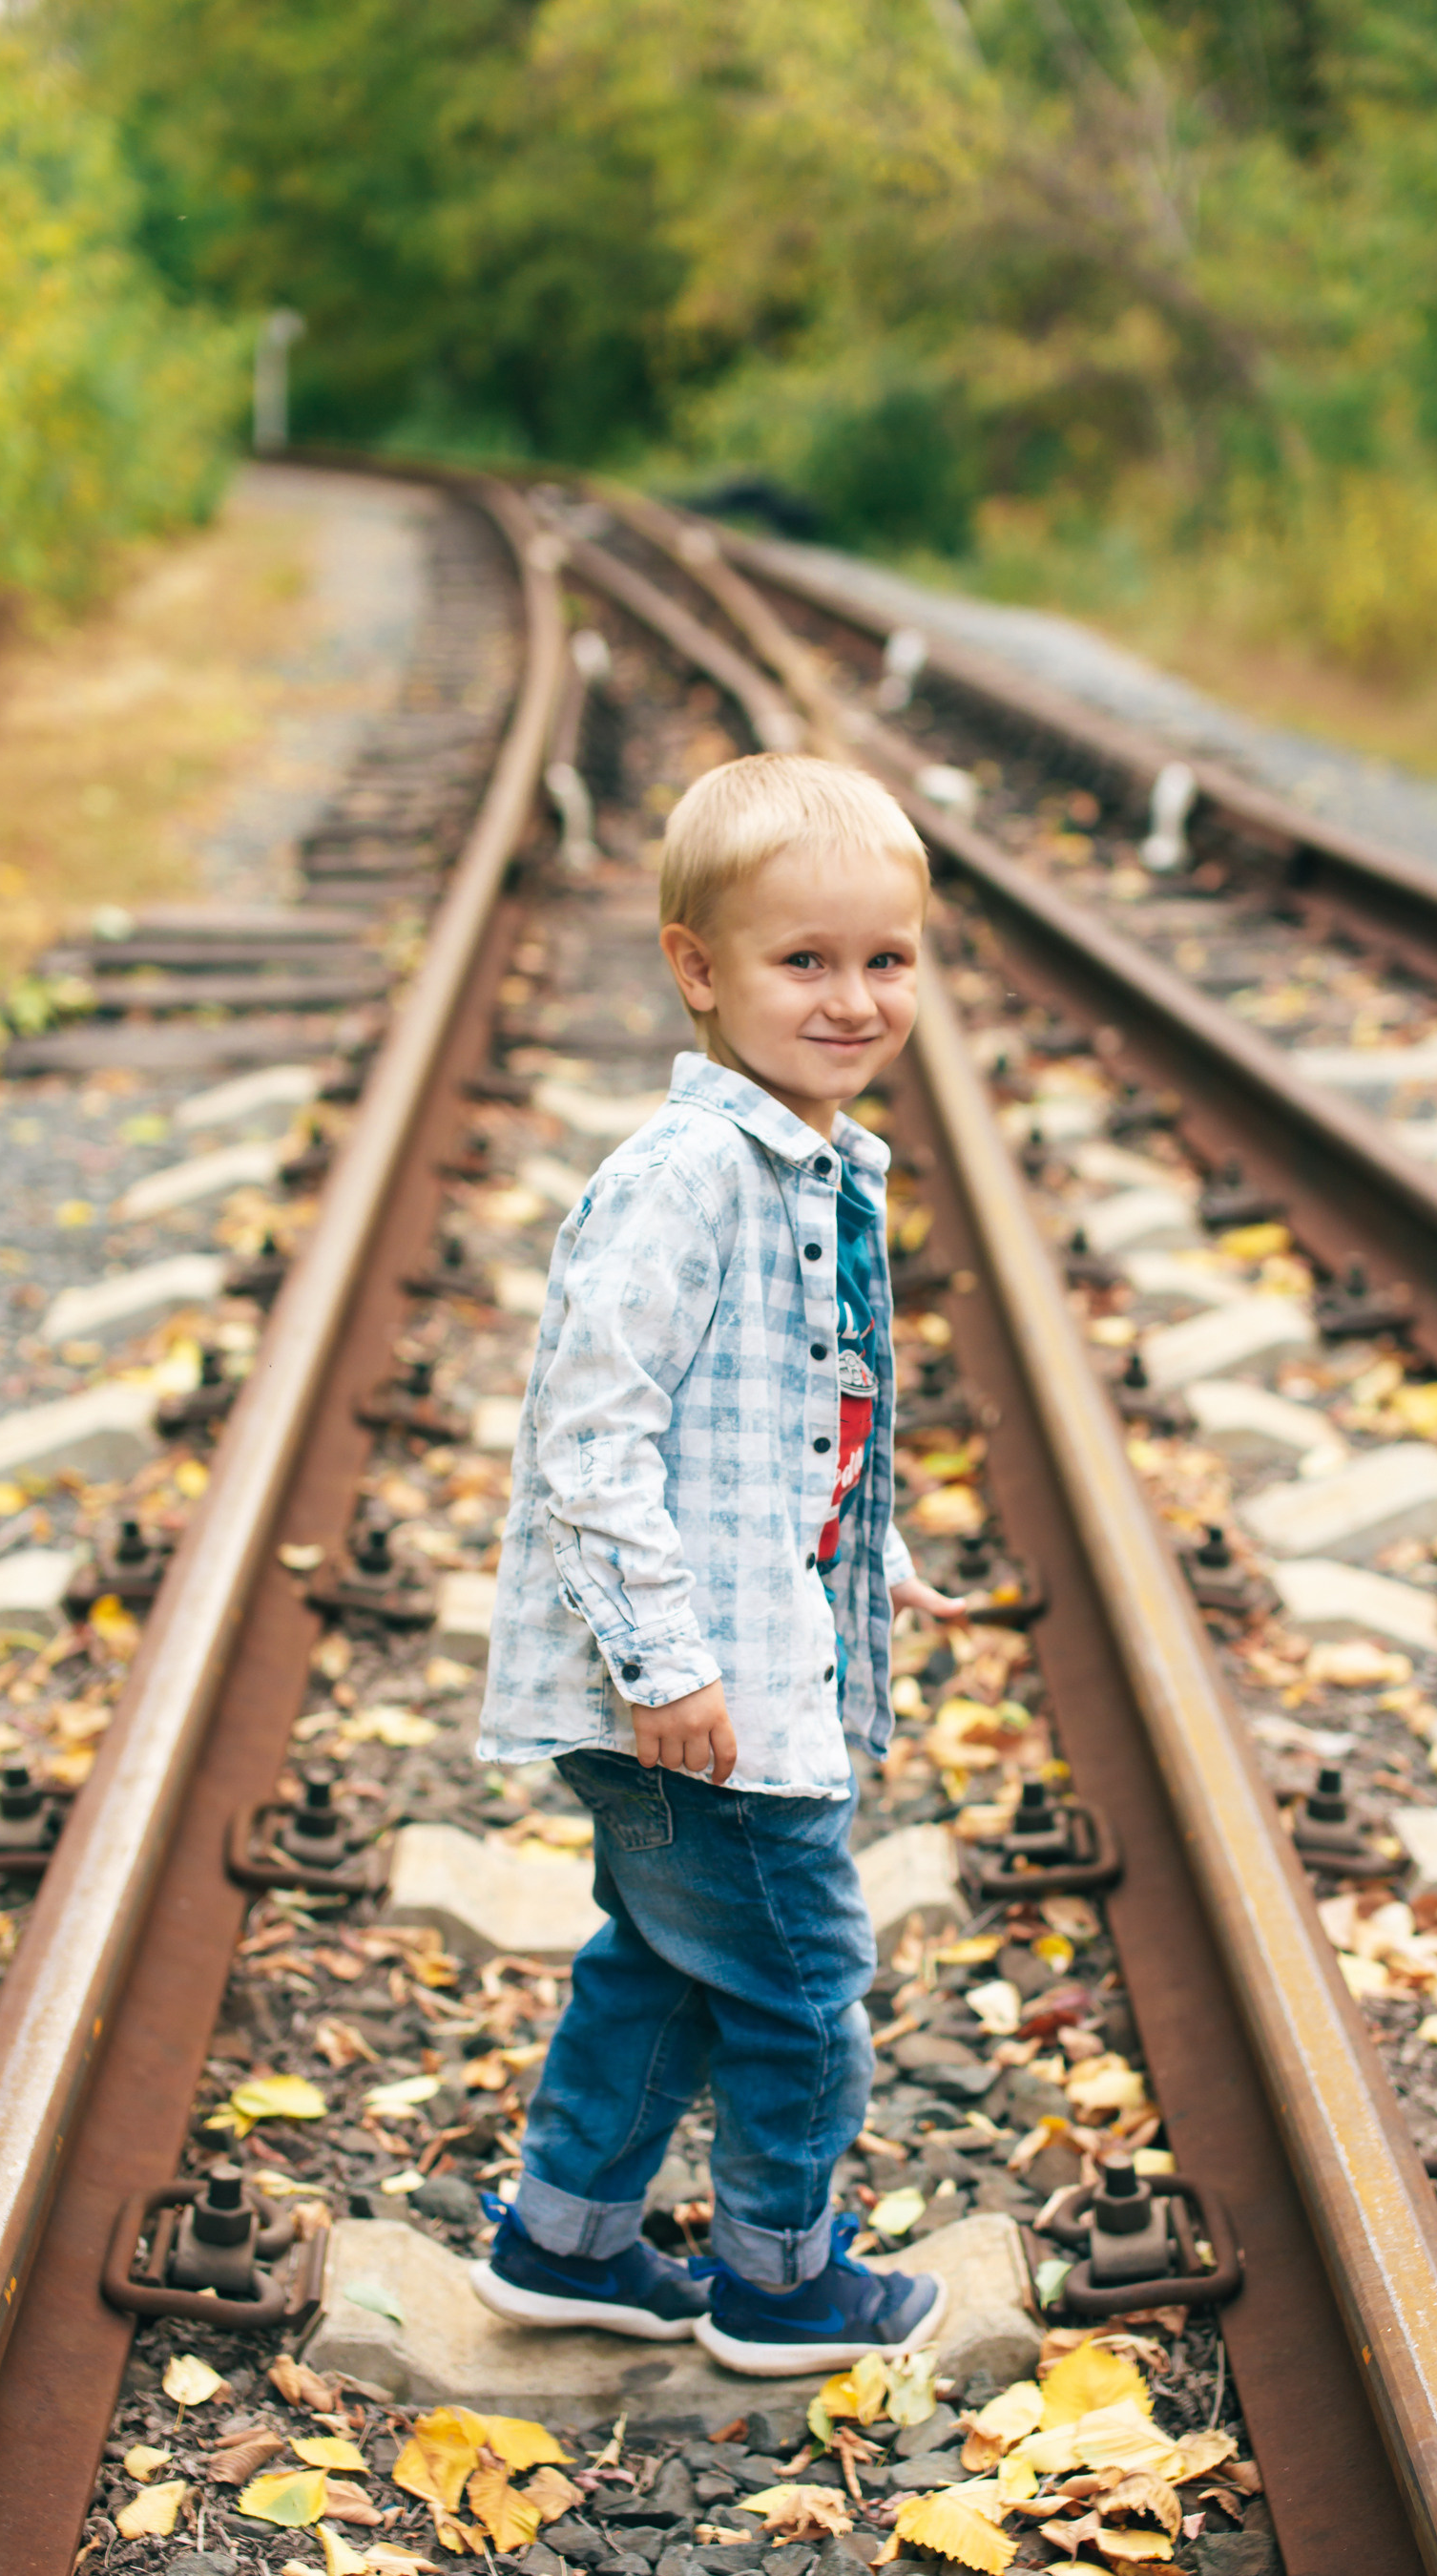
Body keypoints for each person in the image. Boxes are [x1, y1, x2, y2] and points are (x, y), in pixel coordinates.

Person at [471, 752, 968, 2377]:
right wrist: (666, 1661)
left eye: (885, 960)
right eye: (803, 962)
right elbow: (589, 1440)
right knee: (808, 1985)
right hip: (700, 1699)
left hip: (743, 1662)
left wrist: (864, 1549)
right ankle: (782, 2280)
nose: (853, 1000)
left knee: (671, 1961)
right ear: (698, 968)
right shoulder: (687, 1182)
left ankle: (569, 2242)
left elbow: (770, 1420)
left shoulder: (809, 1164)